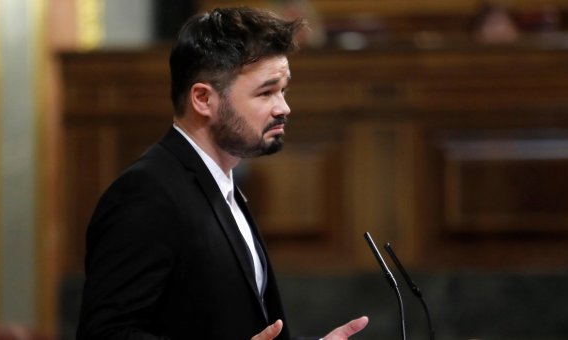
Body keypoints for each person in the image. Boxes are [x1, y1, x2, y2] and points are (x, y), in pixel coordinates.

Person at [76, 6, 368, 340]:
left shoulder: (222, 184)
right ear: (203, 99)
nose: (283, 108)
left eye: (283, 90)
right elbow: (105, 334)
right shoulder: (146, 193)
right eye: (266, 92)